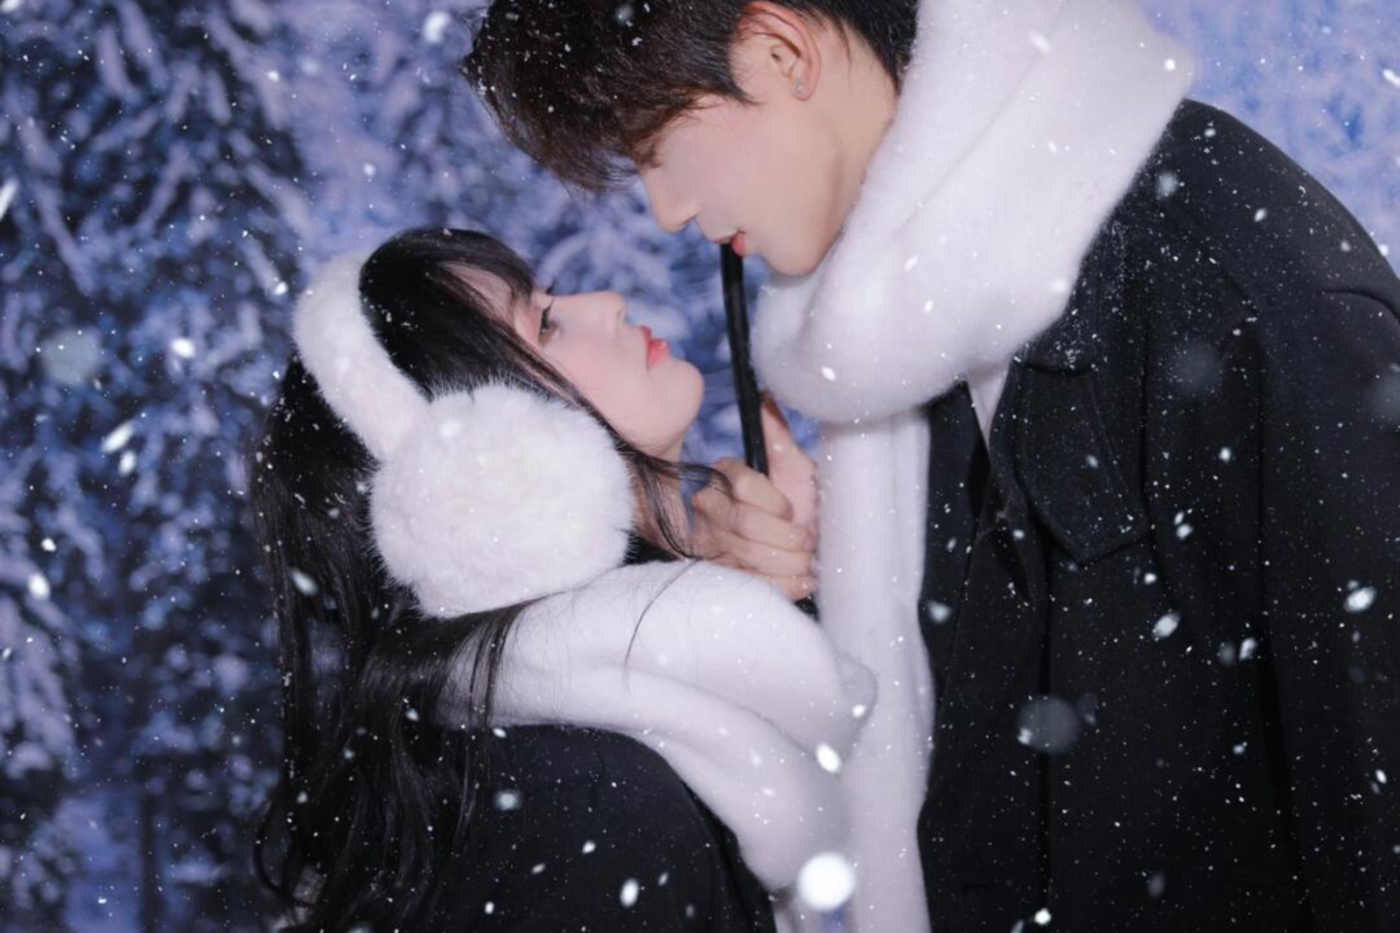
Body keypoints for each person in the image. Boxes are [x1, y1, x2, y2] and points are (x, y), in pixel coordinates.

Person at [463, 1, 1400, 931]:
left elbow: (1367, 758)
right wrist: (819, 579)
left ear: (779, 53)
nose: (668, 213)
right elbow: (997, 770)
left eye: (657, 148)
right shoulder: (920, 325)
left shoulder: (1216, 275)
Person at [247, 227, 874, 932]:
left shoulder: (552, 763)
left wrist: (807, 577)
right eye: (544, 323)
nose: (606, 301)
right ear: (483, 469)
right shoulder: (596, 813)